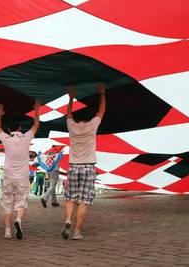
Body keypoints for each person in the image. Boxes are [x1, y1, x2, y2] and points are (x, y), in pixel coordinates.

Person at [62, 83, 106, 240]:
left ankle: (68, 220)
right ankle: (77, 232)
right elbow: (101, 111)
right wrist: (101, 93)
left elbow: (68, 114)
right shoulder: (91, 126)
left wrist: (71, 98)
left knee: (70, 198)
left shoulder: (71, 126)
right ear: (88, 117)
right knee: (83, 201)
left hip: (73, 167)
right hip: (88, 168)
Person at [0, 101, 40, 239]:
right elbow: (36, 125)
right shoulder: (26, 138)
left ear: (9, 130)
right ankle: (18, 220)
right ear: (20, 128)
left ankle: (7, 231)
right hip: (22, 176)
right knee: (21, 201)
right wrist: (37, 111)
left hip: (9, 176)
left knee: (7, 203)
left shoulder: (6, 139)